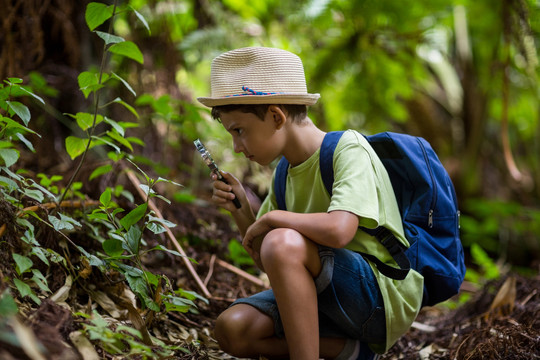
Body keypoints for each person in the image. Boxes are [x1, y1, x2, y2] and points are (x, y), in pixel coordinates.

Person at [197, 47, 424, 360]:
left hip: (378, 301)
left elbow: (339, 231)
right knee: (232, 329)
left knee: (280, 239)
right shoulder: (283, 173)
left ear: (276, 116)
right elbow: (271, 259)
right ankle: (348, 352)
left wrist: (273, 218)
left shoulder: (348, 148)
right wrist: (244, 213)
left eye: (239, 131)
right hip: (324, 302)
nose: (236, 147)